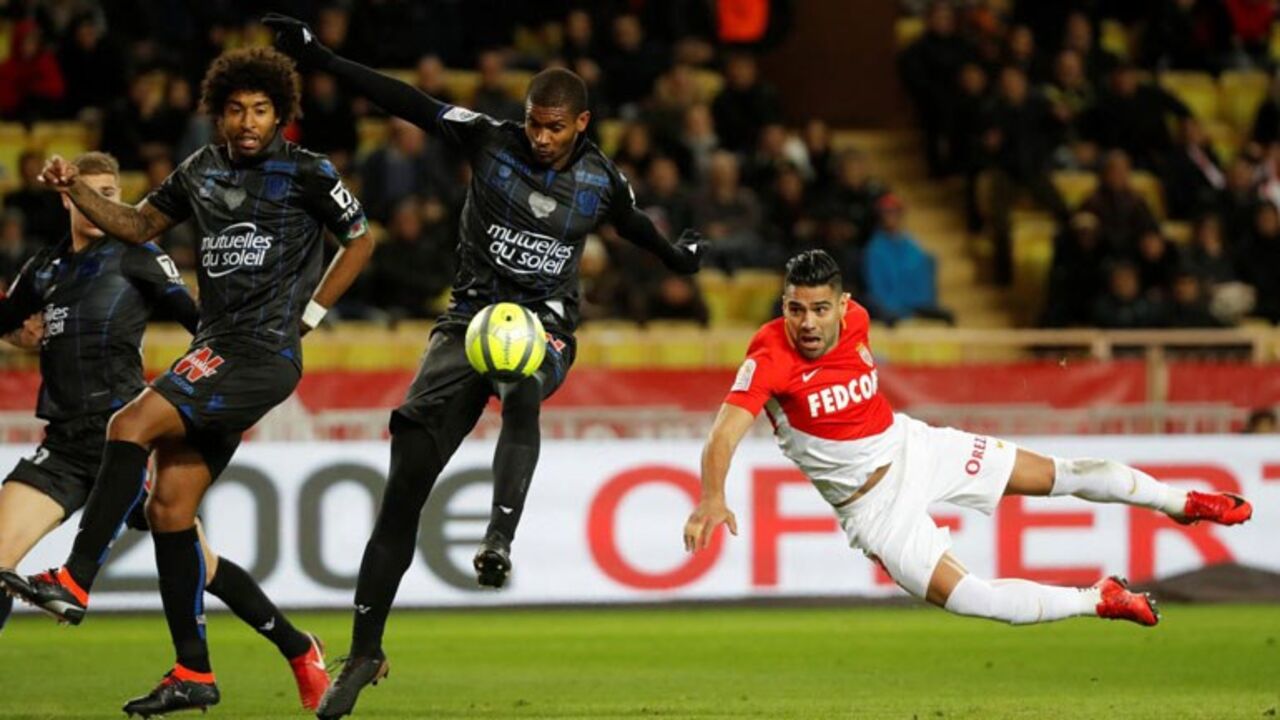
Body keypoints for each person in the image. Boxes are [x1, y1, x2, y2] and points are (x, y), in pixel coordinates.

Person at [262, 13, 705, 718]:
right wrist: (322, 57)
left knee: (522, 382)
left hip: (544, 325)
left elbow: (635, 228)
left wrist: (679, 258)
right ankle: (365, 651)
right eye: (534, 123)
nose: (541, 137)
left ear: (581, 124)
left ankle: (498, 538)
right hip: (466, 323)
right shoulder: (490, 140)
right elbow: (406, 100)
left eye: (554, 127)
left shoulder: (601, 180)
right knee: (404, 485)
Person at [0, 48, 373, 716]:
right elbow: (140, 222)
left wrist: (310, 317)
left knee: (130, 423)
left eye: (261, 110)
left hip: (259, 351)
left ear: (281, 114)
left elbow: (361, 240)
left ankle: (76, 580)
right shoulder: (200, 170)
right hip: (211, 352)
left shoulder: (307, 170)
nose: (248, 121)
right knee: (171, 508)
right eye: (235, 109)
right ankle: (194, 671)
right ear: (217, 114)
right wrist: (76, 189)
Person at [684, 250, 1252, 630]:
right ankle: (1098, 599)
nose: (807, 323)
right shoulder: (769, 356)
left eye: (819, 309)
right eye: (795, 309)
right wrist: (712, 496)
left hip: (914, 448)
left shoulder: (859, 321)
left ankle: (1183, 503)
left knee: (1060, 474)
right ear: (783, 306)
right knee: (976, 600)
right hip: (873, 511)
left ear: (843, 305)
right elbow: (723, 434)